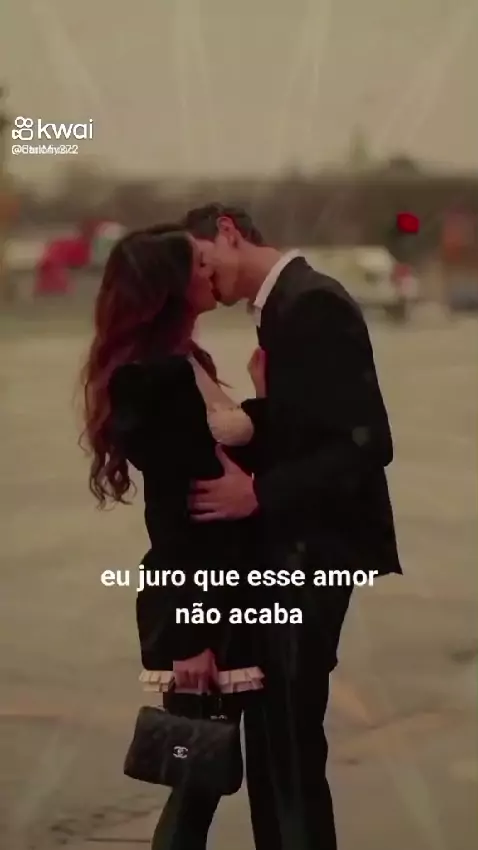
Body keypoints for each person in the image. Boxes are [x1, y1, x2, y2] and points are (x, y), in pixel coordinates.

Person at [183, 203, 403, 849]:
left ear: (229, 231)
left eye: (203, 259)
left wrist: (258, 493)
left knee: (287, 741)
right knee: (277, 737)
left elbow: (368, 441)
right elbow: (312, 429)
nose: (202, 278)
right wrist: (264, 406)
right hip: (295, 548)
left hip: (315, 552)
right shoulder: (282, 309)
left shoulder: (313, 303)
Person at [80, 224, 267, 850]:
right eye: (196, 265)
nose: (209, 270)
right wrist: (191, 637)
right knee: (196, 780)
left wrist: (263, 398)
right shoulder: (152, 376)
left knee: (201, 779)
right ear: (169, 287)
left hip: (230, 587)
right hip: (199, 598)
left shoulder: (188, 361)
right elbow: (172, 519)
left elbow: (227, 459)